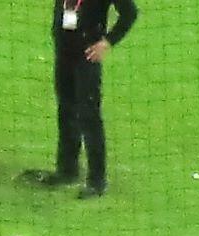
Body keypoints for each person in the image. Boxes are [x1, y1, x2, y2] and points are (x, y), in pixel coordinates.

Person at [31, 0, 138, 199]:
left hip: (87, 53)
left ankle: (97, 180)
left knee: (89, 114)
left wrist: (107, 42)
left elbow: (130, 13)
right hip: (64, 49)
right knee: (66, 108)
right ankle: (67, 169)